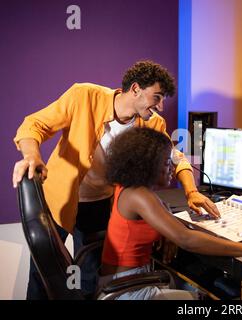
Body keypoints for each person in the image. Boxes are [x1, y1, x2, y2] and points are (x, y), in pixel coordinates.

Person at [12, 60, 220, 299]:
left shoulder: (153, 123)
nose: (161, 106)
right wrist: (32, 156)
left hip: (99, 204)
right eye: (157, 97)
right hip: (59, 198)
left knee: (89, 278)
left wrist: (191, 191)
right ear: (135, 89)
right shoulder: (83, 96)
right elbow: (34, 124)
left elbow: (175, 156)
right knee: (42, 277)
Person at [99, 127, 242, 300]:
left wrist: (168, 232)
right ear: (148, 165)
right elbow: (187, 239)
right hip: (129, 292)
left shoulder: (131, 188)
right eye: (167, 163)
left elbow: (162, 214)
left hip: (128, 281)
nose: (172, 170)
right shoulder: (139, 195)